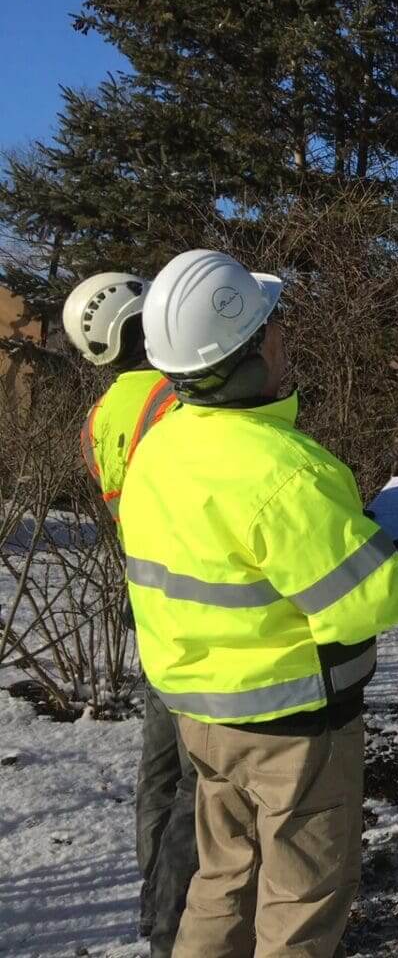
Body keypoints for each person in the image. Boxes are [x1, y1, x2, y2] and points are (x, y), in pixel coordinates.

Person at [122, 249, 398, 958]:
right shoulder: (285, 468)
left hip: (202, 717)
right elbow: (366, 602)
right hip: (292, 728)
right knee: (301, 898)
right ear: (246, 349)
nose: (282, 335)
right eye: (272, 325)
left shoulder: (160, 447)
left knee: (221, 876)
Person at [62, 273, 193, 957]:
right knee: (200, 776)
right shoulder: (175, 400)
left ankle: (154, 900)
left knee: (159, 768)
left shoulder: (95, 423)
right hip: (193, 600)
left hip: (144, 597)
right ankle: (178, 918)